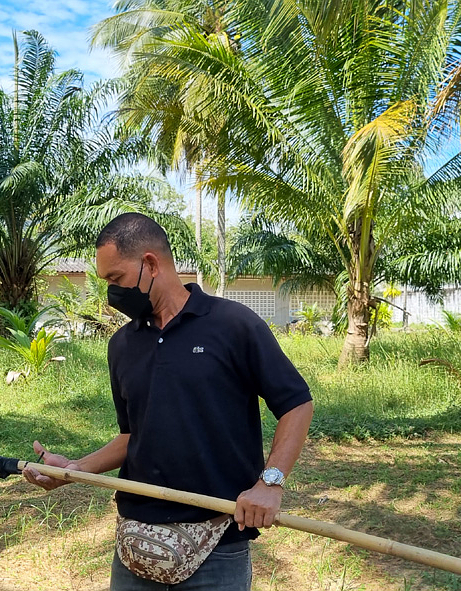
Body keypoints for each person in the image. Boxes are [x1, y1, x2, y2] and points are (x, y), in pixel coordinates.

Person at [23, 213, 313, 590]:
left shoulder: (233, 325)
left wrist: (270, 483)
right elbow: (133, 437)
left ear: (150, 264)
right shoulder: (122, 345)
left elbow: (296, 403)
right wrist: (75, 469)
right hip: (135, 540)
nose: (112, 295)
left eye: (115, 279)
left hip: (216, 545)